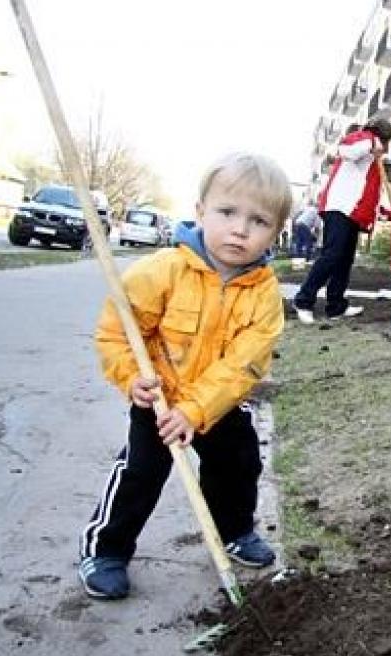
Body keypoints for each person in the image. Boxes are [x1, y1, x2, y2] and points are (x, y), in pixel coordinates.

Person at [78, 153, 292, 600]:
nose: (240, 229)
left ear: (276, 232)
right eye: (227, 212)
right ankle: (107, 550)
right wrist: (130, 378)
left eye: (259, 221)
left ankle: (235, 531)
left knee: (239, 464)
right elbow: (117, 334)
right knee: (139, 474)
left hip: (216, 406)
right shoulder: (163, 271)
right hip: (158, 402)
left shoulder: (265, 294)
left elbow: (244, 365)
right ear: (199, 212)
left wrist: (196, 411)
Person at [292, 118, 391, 324]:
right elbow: (346, 149)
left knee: (344, 260)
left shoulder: (372, 160)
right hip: (339, 208)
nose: (385, 149)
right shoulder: (362, 140)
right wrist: (373, 143)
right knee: (332, 255)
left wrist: (385, 213)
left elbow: (368, 193)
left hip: (353, 213)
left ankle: (336, 306)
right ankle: (303, 301)